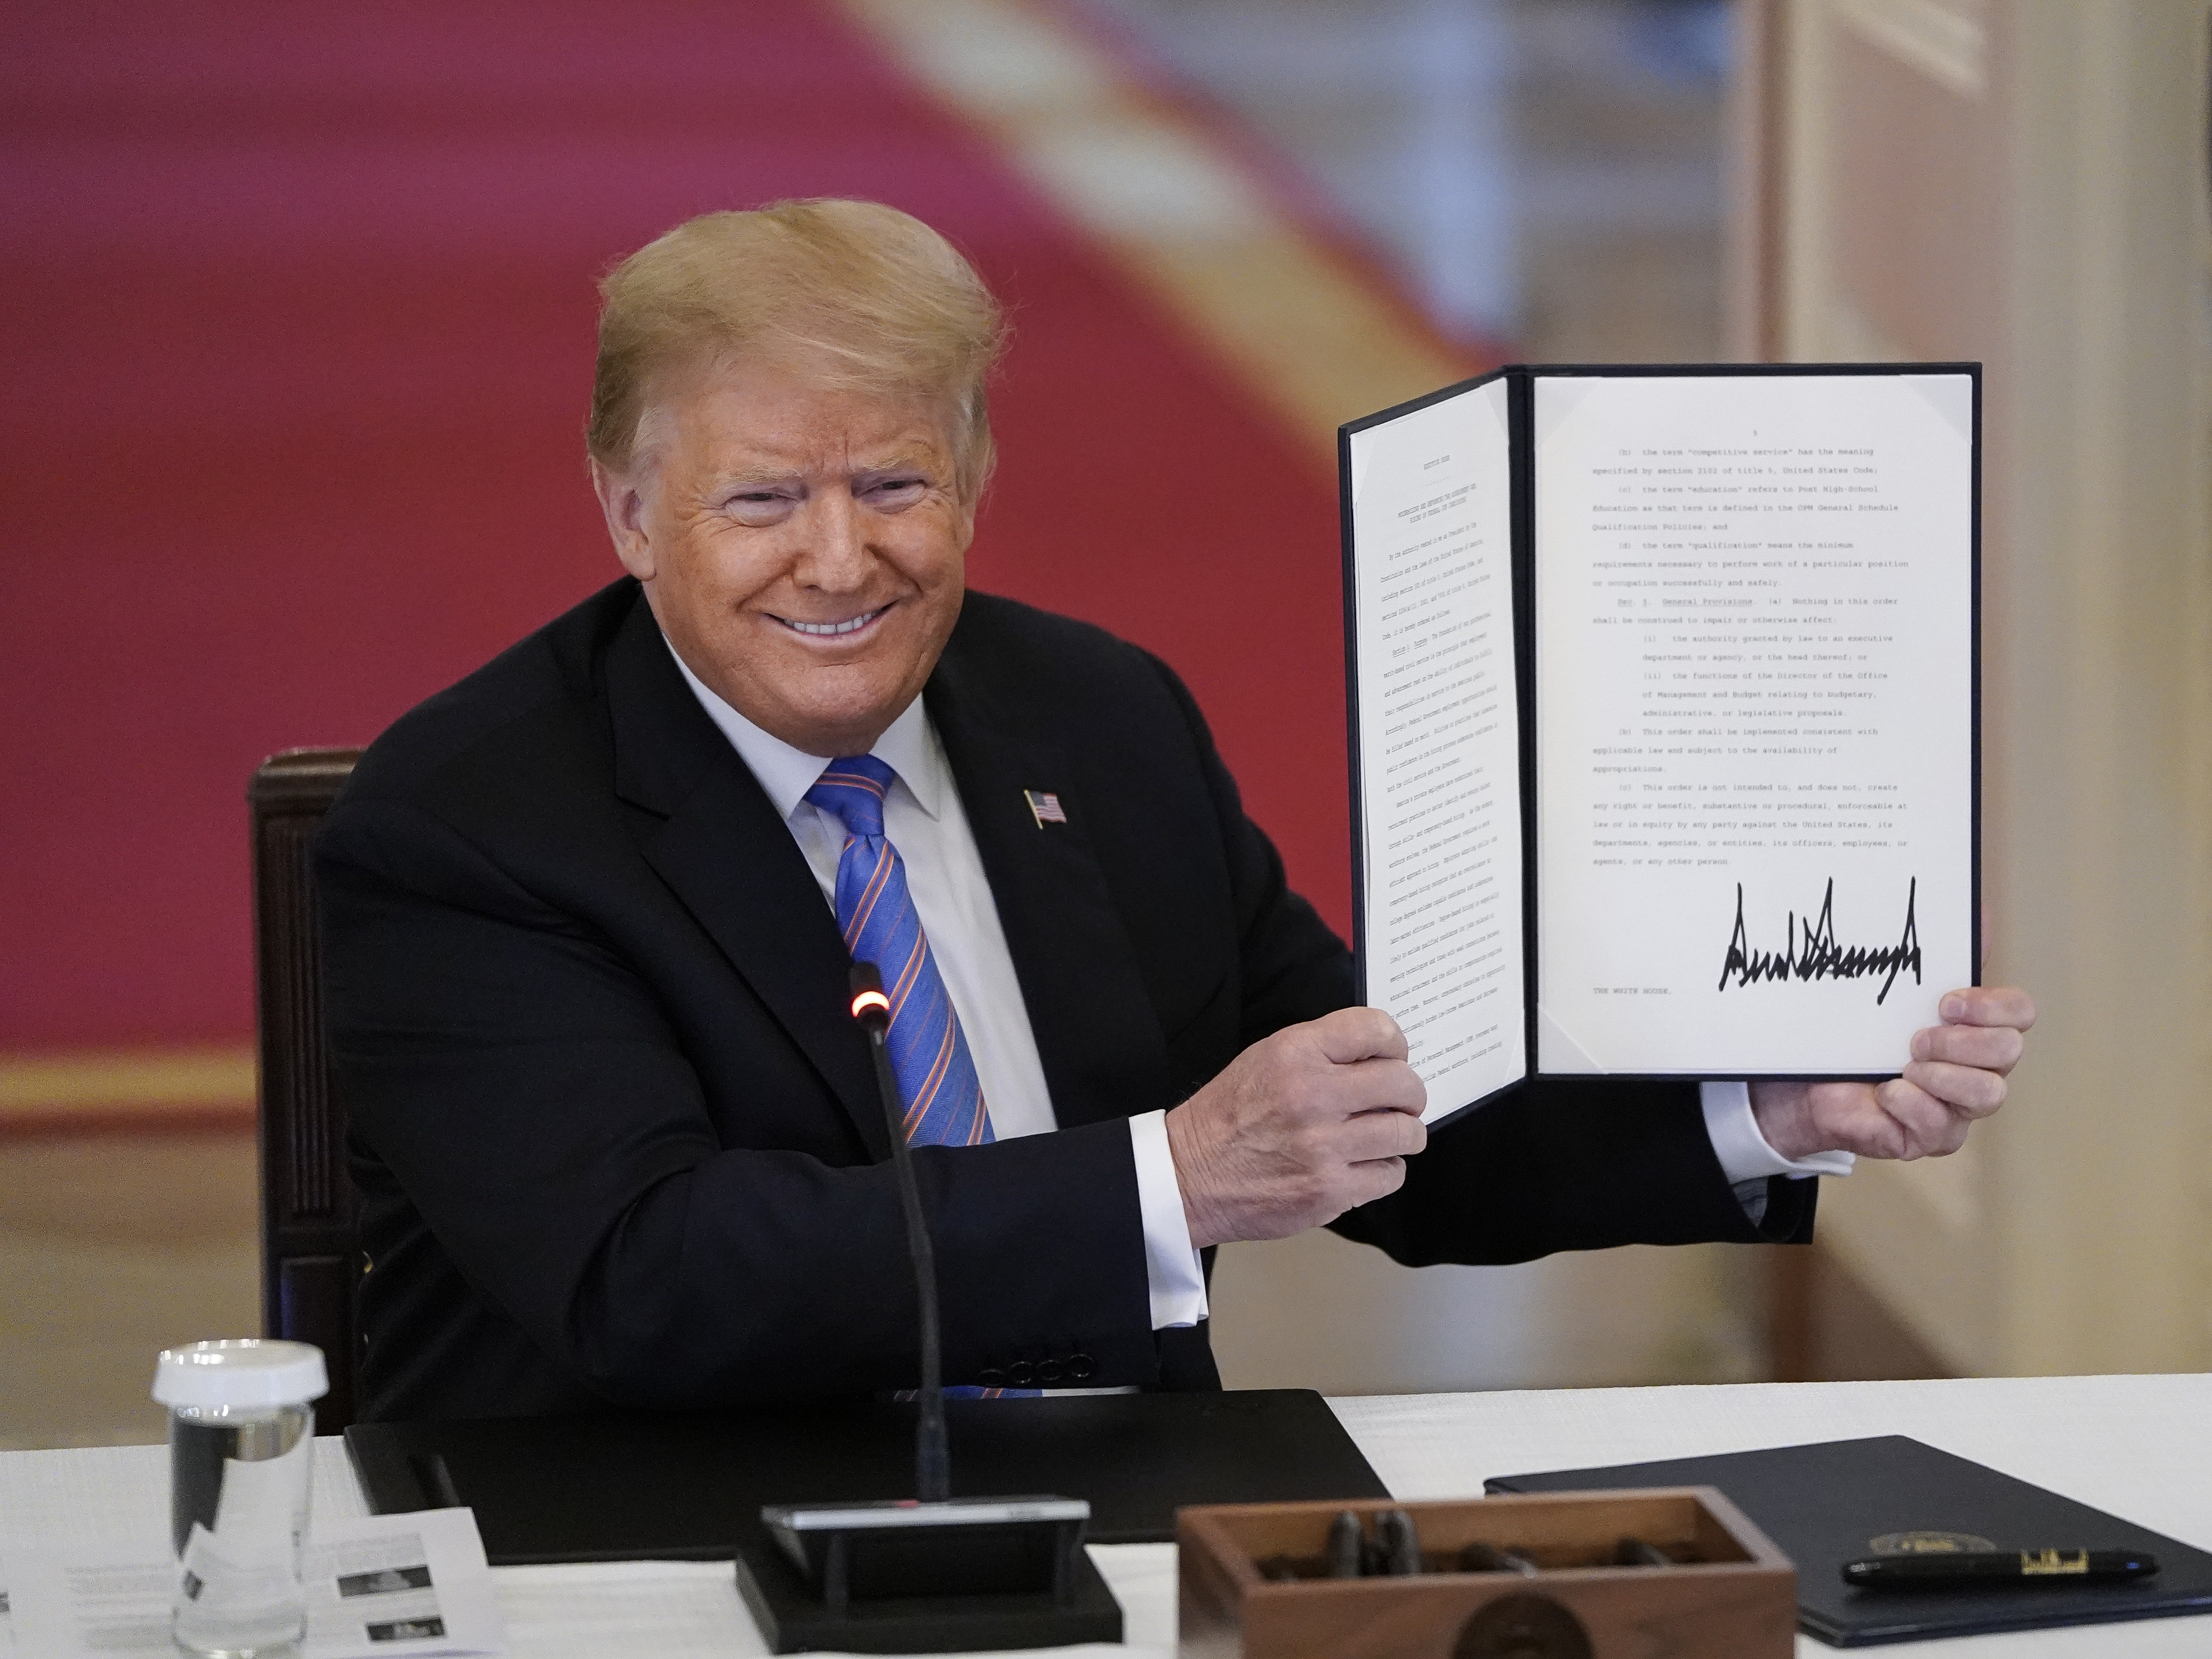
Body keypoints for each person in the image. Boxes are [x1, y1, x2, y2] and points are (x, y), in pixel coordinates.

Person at [319, 201, 2034, 1421]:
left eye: (896, 482)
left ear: (975, 479)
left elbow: (1386, 1121)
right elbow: (646, 1278)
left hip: (1127, 1526)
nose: (840, 559)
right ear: (628, 508)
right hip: (642, 1544)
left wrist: (1762, 1104)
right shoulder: (469, 823)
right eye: (763, 497)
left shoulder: (1097, 715)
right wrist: (1175, 1176)